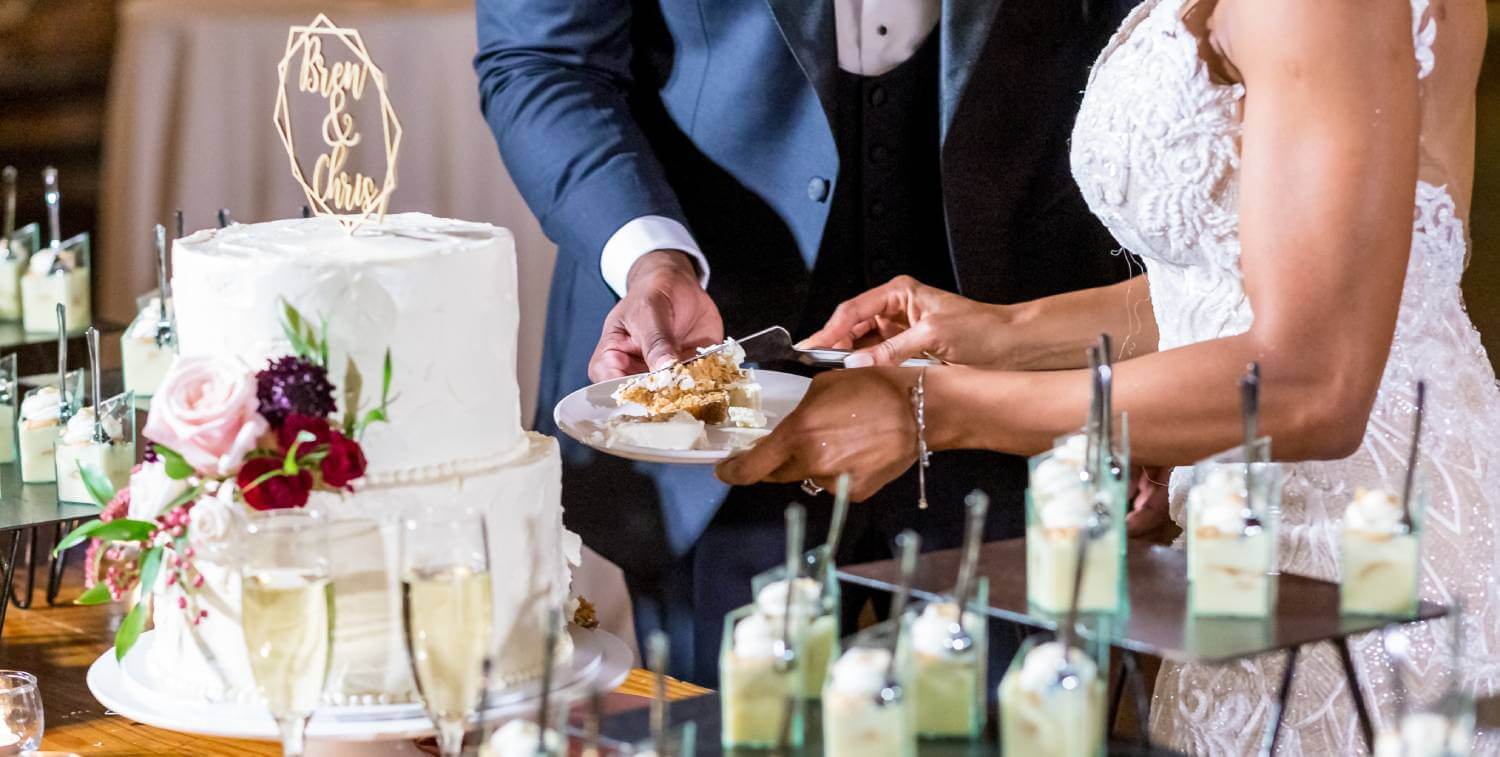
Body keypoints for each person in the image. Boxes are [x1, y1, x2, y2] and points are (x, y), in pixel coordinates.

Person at [720, 0, 1497, 752]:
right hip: (1243, 531)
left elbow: (1312, 382)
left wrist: (934, 407)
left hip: (1360, 552)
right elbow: (1233, 285)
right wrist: (1000, 332)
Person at [474, 0, 1140, 684]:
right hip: (715, 402)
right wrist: (652, 258)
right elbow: (542, 57)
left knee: (1035, 716)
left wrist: (1149, 367)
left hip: (1029, 378)